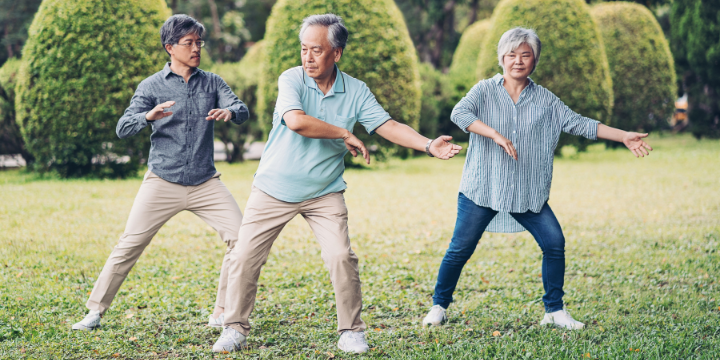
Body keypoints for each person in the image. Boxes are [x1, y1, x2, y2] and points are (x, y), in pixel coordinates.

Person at [211, 14, 462, 354]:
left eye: (316, 50)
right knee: (243, 257)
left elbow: (387, 124)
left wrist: (428, 144)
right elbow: (296, 121)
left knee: (341, 256)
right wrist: (344, 132)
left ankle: (352, 330)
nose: (308, 57)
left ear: (337, 53)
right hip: (273, 188)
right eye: (303, 49)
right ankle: (234, 328)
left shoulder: (355, 90)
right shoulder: (292, 79)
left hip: (324, 192)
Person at [421, 27, 653, 330]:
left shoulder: (546, 100)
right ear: (501, 58)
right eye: (511, 54)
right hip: (483, 186)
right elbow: (460, 114)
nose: (518, 60)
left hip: (526, 191)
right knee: (460, 249)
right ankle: (439, 305)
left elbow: (580, 124)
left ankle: (554, 311)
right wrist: (495, 134)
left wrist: (623, 136)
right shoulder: (484, 90)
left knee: (554, 242)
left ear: (534, 61)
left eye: (525, 55)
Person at [72, 14, 249, 331]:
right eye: (189, 43)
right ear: (170, 47)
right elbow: (123, 127)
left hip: (205, 182)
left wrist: (230, 111)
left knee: (242, 239)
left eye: (199, 42)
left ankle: (222, 311)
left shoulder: (213, 82)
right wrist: (148, 116)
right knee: (129, 245)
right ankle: (94, 311)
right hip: (162, 182)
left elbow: (242, 109)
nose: (196, 49)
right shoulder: (151, 86)